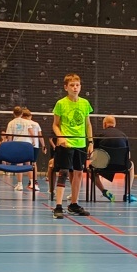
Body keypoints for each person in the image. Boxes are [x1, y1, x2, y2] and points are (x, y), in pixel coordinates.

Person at [50, 73, 92, 219]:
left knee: (78, 174)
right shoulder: (61, 104)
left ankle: (73, 204)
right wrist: (60, 136)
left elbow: (88, 124)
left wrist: (90, 142)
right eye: (72, 85)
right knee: (63, 173)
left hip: (80, 144)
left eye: (77, 85)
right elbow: (55, 125)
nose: (75, 88)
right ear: (66, 87)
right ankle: (58, 207)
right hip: (66, 145)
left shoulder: (85, 103)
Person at [90, 115, 136, 203]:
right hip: (121, 166)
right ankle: (127, 194)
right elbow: (128, 156)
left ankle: (104, 191)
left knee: (90, 169)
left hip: (103, 166)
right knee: (131, 166)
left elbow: (95, 155)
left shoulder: (99, 135)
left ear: (104, 124)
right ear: (114, 124)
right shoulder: (123, 136)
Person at [3, 106, 43, 191]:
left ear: (13, 113)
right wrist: (33, 141)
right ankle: (32, 183)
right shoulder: (27, 122)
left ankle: (20, 184)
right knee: (29, 164)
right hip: (27, 145)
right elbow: (32, 133)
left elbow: (9, 136)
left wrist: (10, 145)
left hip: (17, 145)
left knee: (19, 164)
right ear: (21, 113)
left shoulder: (11, 123)